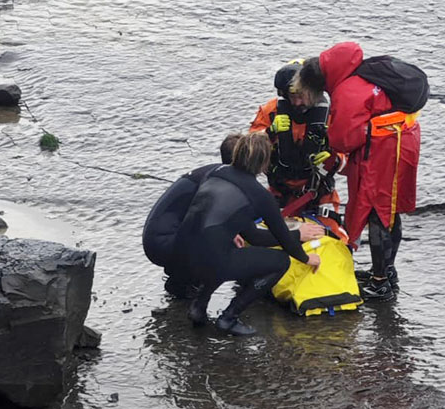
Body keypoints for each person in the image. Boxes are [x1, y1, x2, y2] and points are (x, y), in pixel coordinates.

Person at [294, 43, 421, 301]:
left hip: (382, 152)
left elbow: (343, 139)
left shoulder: (347, 91)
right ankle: (387, 271)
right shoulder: (363, 74)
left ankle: (380, 282)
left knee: (376, 210)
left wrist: (329, 149)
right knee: (390, 208)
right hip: (402, 140)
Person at [173, 132, 324, 336]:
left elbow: (224, 220)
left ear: (238, 152)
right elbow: (275, 240)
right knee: (281, 261)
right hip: (208, 260)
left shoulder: (215, 172)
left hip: (180, 254)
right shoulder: (260, 195)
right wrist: (306, 257)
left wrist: (230, 233)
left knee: (222, 248)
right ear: (264, 164)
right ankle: (229, 317)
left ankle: (198, 308)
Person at [249, 62, 347, 242]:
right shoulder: (271, 112)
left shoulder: (331, 114)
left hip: (319, 193)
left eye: (301, 96)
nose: (297, 102)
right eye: (292, 96)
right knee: (258, 233)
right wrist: (269, 133)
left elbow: (348, 157)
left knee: (335, 239)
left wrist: (333, 159)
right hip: (278, 192)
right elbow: (248, 150)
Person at [143, 134, 240, 298]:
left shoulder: (211, 171)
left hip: (154, 238)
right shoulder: (219, 179)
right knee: (221, 242)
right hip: (161, 244)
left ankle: (180, 275)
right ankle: (181, 282)